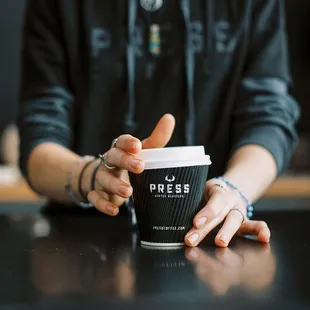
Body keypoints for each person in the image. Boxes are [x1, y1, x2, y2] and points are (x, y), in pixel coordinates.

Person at [18, 0, 299, 247]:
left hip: (209, 234)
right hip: (78, 242)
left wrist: (232, 192)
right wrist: (92, 176)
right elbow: (40, 126)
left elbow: (268, 113)